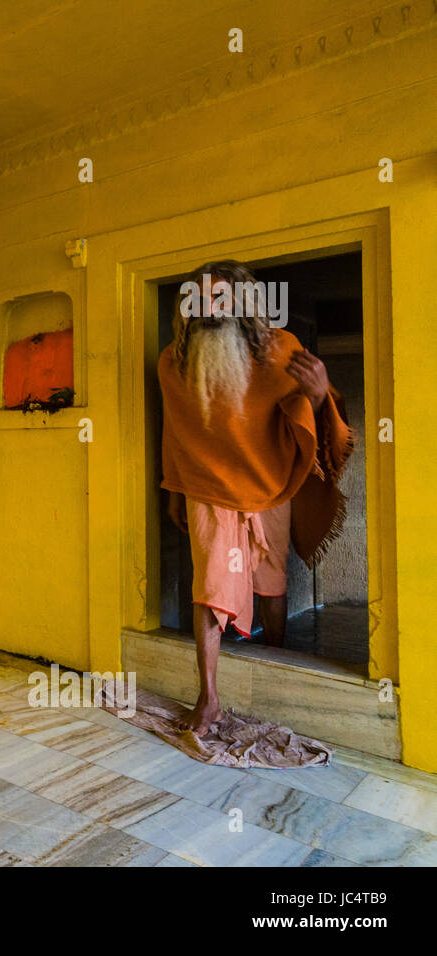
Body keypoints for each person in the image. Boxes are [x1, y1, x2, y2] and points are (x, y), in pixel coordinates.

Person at [159, 260, 354, 734]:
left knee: (272, 574)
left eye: (221, 298)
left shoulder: (281, 348)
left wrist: (318, 392)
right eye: (201, 299)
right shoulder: (174, 361)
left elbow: (305, 412)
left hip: (272, 482)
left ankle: (278, 658)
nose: (210, 308)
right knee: (210, 586)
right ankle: (208, 698)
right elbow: (177, 432)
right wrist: (174, 488)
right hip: (208, 488)